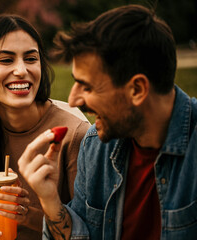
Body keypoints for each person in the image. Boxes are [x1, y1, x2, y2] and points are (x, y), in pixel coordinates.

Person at [18, 4, 197, 240]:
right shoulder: (96, 147)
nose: (73, 99)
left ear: (137, 89)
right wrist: (51, 201)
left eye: (88, 86)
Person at [0, 14, 90, 239]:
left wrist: (26, 213)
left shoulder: (74, 135)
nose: (21, 70)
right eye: (6, 60)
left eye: (31, 58)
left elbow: (88, 231)